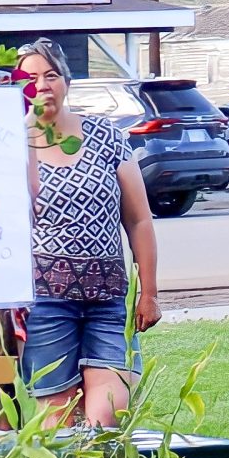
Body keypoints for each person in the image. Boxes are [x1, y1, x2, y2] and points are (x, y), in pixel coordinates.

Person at [16, 41, 161, 426]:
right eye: (30, 78)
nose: (42, 85)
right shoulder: (9, 142)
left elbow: (139, 221)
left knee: (106, 415)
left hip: (108, 300)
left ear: (67, 82)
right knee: (59, 421)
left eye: (51, 75)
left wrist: (149, 293)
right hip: (44, 303)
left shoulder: (105, 136)